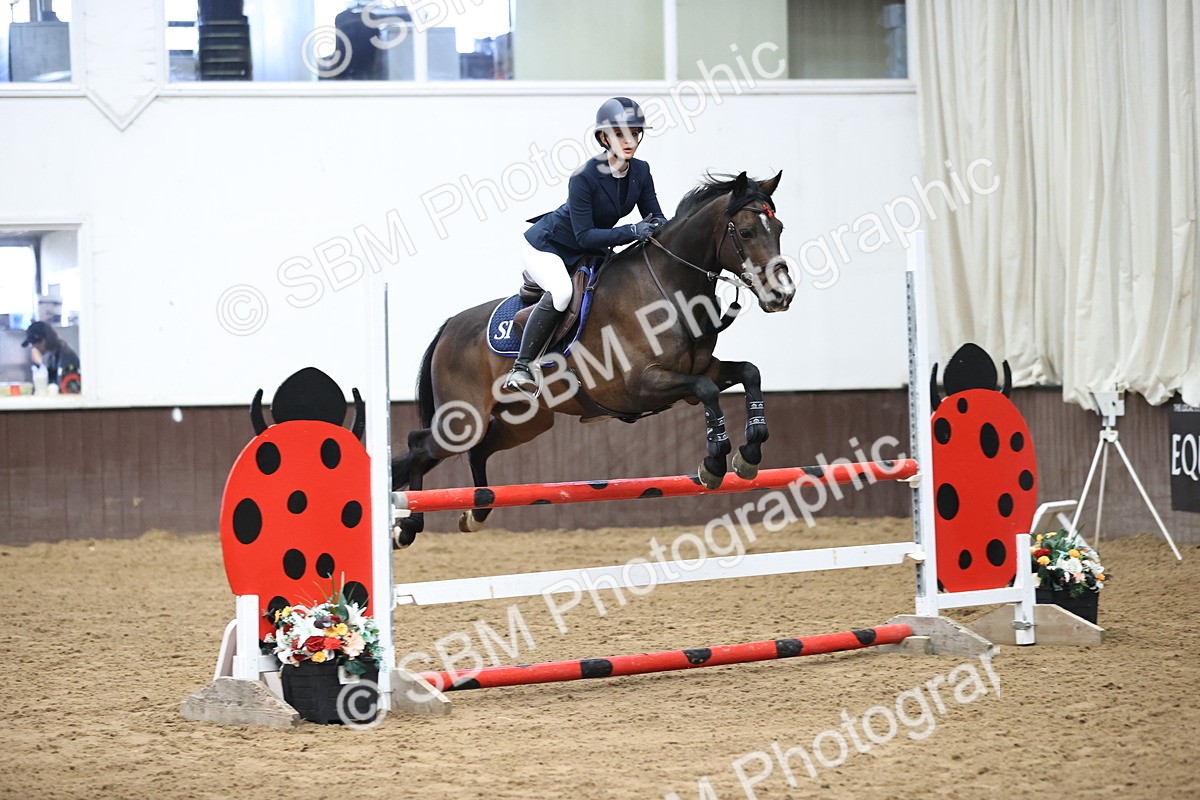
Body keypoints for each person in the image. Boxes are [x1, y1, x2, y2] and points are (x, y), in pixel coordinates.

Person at [504, 96, 668, 394]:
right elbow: (584, 236)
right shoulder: (585, 176)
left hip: (592, 248)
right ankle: (523, 367)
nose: (629, 140)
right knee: (563, 293)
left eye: (635, 133)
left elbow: (655, 215)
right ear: (604, 137)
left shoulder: (641, 171)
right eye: (620, 134)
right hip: (549, 246)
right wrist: (632, 230)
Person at [22, 321, 81, 394]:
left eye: (35, 343)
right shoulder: (53, 356)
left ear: (45, 340)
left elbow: (71, 392)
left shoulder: (67, 358)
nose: (34, 347)